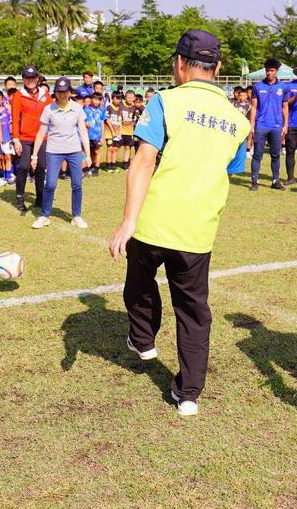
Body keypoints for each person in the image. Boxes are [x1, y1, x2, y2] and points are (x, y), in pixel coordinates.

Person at [108, 30, 250, 417]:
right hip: (198, 229)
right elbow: (230, 168)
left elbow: (143, 160)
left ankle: (142, 338)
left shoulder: (165, 101)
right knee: (193, 309)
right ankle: (188, 393)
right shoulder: (239, 120)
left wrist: (127, 222)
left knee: (138, 281)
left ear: (179, 64)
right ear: (217, 68)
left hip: (153, 221)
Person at [30, 77, 90, 230]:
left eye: (65, 92)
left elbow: (83, 131)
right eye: (59, 92)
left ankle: (76, 216)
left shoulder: (77, 108)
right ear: (55, 92)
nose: (62, 95)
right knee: (50, 184)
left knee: (77, 184)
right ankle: (44, 215)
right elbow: (41, 133)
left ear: (70, 92)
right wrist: (34, 155)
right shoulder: (48, 109)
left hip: (74, 151)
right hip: (54, 151)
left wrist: (88, 155)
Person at [11, 65, 53, 213]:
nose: (30, 80)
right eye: (27, 78)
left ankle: (40, 196)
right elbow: (15, 119)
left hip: (42, 137)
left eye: (33, 77)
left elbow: (51, 116)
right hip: (24, 137)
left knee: (41, 166)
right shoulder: (18, 95)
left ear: (37, 78)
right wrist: (15, 139)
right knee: (23, 167)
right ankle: (20, 197)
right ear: (23, 79)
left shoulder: (45, 95)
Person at [250, 58, 289, 190]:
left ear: (276, 71)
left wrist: (286, 125)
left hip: (276, 126)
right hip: (261, 126)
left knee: (275, 154)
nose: (269, 73)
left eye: (272, 70)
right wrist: (252, 125)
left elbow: (285, 107)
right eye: (267, 70)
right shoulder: (257, 86)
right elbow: (254, 107)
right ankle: (254, 182)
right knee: (257, 155)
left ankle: (275, 181)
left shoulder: (283, 87)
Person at [0, 89, 15, 185]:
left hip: (6, 137)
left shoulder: (7, 110)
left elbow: (11, 124)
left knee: (8, 157)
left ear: (2, 100)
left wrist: (11, 137)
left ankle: (8, 176)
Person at [84, 92, 106, 177]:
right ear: (91, 99)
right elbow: (82, 121)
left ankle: (96, 168)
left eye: (99, 100)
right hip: (88, 135)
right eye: (95, 99)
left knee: (97, 152)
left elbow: (102, 123)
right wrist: (85, 124)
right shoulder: (86, 109)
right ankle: (87, 167)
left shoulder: (101, 110)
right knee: (88, 152)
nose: (96, 101)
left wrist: (102, 136)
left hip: (97, 135)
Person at [104, 92, 125, 172]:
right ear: (112, 98)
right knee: (110, 148)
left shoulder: (120, 107)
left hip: (118, 132)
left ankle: (113, 165)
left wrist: (119, 132)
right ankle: (108, 165)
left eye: (119, 98)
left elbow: (120, 120)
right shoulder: (109, 107)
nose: (117, 100)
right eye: (116, 98)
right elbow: (107, 119)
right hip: (109, 132)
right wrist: (112, 131)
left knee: (116, 149)